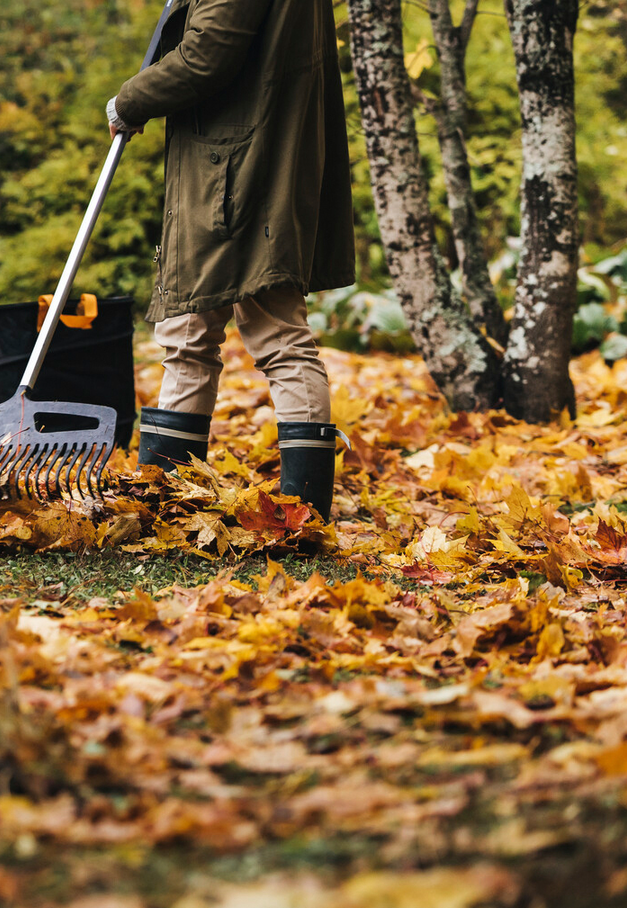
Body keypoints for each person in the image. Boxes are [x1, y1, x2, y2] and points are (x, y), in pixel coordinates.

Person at [107, 0, 355, 521]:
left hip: (237, 168)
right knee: (193, 329)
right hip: (250, 159)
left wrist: (130, 100)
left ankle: (299, 512)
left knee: (272, 334)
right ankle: (171, 499)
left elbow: (206, 55)